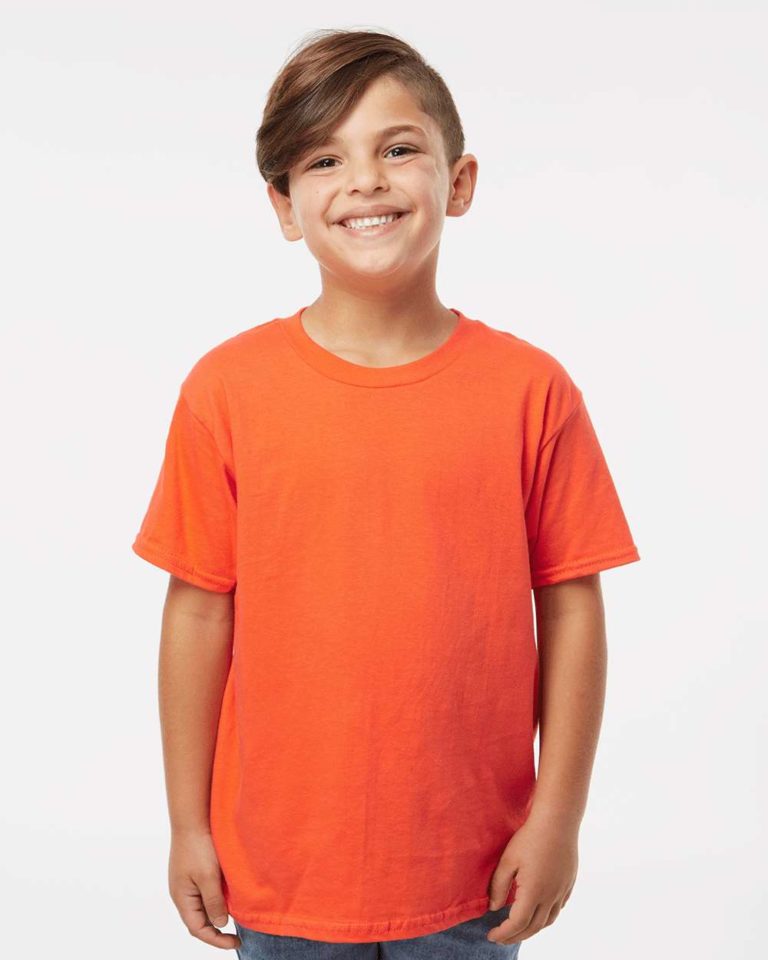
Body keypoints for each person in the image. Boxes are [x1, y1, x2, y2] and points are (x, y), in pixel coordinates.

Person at [131, 27, 641, 958]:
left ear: (460, 181)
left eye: (398, 149)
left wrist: (559, 818)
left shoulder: (532, 391)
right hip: (279, 872)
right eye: (325, 160)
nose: (364, 181)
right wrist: (186, 824)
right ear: (285, 205)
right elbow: (198, 612)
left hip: (474, 873)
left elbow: (572, 608)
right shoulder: (226, 390)